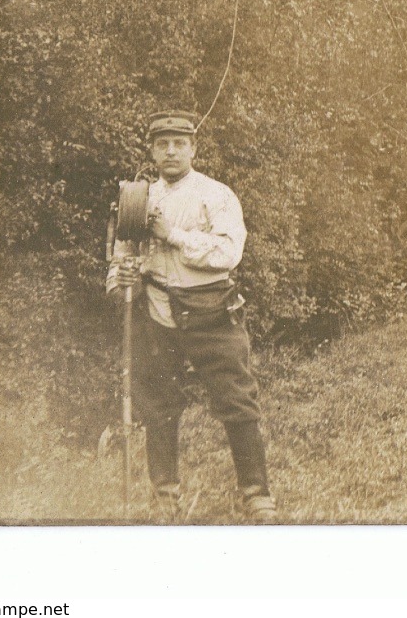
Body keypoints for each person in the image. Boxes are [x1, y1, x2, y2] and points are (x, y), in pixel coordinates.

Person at [105, 110, 276, 521]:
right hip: (159, 313)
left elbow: (227, 254)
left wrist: (172, 235)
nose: (171, 151)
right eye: (162, 144)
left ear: (193, 148)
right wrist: (120, 277)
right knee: (158, 405)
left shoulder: (217, 195)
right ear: (151, 150)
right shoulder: (137, 196)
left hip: (212, 311)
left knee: (236, 400)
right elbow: (122, 255)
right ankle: (165, 494)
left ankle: (256, 493)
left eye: (179, 143)